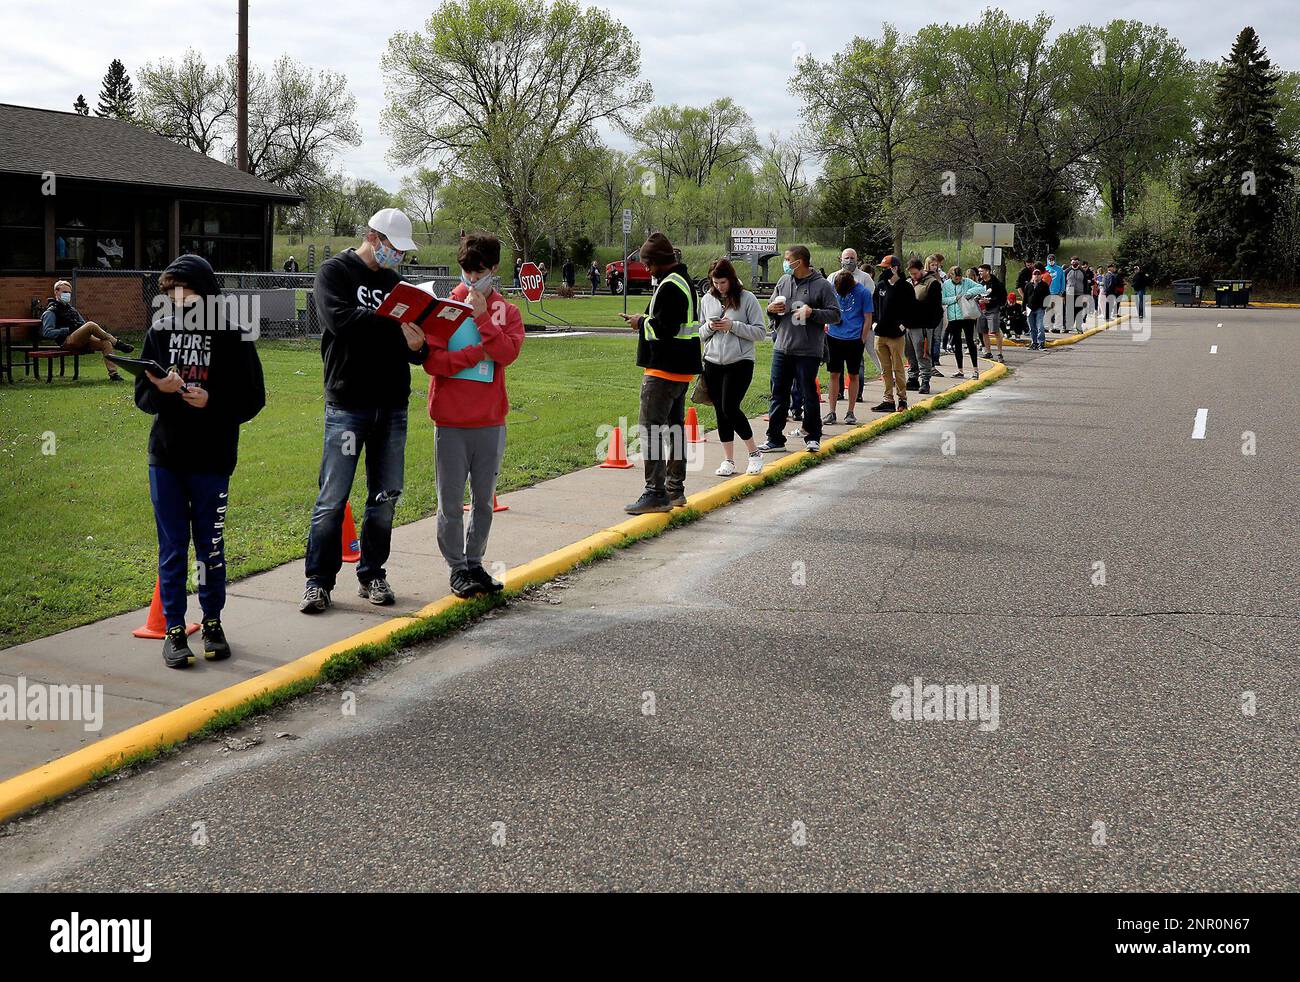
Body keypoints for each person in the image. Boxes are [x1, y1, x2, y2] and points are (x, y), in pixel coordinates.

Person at [134, 255, 266, 668]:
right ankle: (174, 629)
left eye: (184, 292)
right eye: (170, 294)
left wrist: (211, 401)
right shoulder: (159, 331)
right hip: (167, 456)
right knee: (172, 546)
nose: (176, 300)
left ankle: (212, 622)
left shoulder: (234, 335)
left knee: (210, 546)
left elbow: (253, 398)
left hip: (212, 457)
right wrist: (162, 389)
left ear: (206, 292)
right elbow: (142, 397)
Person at [301, 208, 429, 614]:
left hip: (392, 404)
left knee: (385, 495)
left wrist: (416, 344)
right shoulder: (334, 273)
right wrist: (391, 325)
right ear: (374, 238)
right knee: (332, 498)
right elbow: (341, 322)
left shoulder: (396, 284)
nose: (399, 258)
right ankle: (318, 582)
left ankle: (373, 573)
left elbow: (417, 350)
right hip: (348, 402)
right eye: (395, 248)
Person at [423, 232, 525, 599]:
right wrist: (474, 355)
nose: (470, 279)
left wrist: (482, 319)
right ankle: (456, 568)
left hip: (489, 420)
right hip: (450, 421)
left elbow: (507, 353)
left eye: (478, 272)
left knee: (484, 501)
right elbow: (433, 362)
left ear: (494, 269)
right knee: (449, 501)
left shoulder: (507, 312)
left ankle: (474, 562)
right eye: (466, 271)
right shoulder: (444, 307)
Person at [618, 232, 702, 514]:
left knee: (651, 430)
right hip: (680, 371)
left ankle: (655, 492)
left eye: (648, 264)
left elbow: (664, 329)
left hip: (663, 370)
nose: (647, 270)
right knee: (674, 430)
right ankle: (674, 489)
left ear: (658, 262)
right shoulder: (684, 283)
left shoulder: (670, 287)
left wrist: (640, 322)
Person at [758, 245, 840, 454]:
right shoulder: (784, 281)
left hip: (808, 349)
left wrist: (812, 312)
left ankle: (813, 436)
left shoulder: (821, 285)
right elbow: (770, 306)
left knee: (808, 393)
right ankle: (775, 438)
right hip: (782, 346)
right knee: (778, 393)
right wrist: (771, 309)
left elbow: (835, 315)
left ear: (800, 261)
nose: (785, 263)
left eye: (788, 259)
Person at [699, 258, 766, 477]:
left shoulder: (748, 299)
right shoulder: (707, 299)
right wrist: (710, 327)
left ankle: (754, 453)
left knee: (730, 407)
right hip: (712, 361)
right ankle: (728, 459)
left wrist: (733, 326)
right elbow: (699, 333)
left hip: (740, 361)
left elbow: (760, 332)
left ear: (731, 279)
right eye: (715, 283)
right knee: (720, 410)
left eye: (723, 283)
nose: (719, 287)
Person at [40, 280, 134, 380]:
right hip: (67, 341)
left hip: (82, 340)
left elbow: (83, 325)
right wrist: (66, 330)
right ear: (56, 292)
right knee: (90, 325)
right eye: (64, 292)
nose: (67, 295)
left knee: (106, 343)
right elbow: (47, 332)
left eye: (69, 293)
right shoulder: (51, 312)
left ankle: (114, 374)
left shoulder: (71, 309)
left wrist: (79, 327)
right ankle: (117, 343)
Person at [824, 266, 873, 425]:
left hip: (854, 340)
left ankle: (850, 411)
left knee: (853, 375)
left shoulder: (863, 293)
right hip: (834, 337)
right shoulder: (833, 288)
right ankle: (832, 411)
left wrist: (863, 339)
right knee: (834, 374)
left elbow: (867, 317)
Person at [836, 248, 880, 399]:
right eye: (846, 258)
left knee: (857, 364)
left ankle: (857, 393)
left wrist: (864, 333)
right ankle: (839, 392)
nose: (849, 261)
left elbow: (868, 302)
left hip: (857, 329)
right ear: (841, 260)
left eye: (852, 258)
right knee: (837, 367)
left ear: (857, 259)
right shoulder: (833, 277)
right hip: (838, 330)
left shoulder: (865, 278)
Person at [870, 255, 911, 414]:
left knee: (898, 368)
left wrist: (903, 325)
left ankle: (902, 399)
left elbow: (910, 309)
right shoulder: (880, 286)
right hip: (880, 334)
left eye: (886, 268)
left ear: (895, 268)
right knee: (885, 369)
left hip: (896, 335)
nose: (884, 271)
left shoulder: (904, 287)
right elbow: (874, 306)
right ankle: (888, 399)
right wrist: (874, 323)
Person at [941, 265, 988, 378]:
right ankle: (960, 370)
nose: (958, 280)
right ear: (951, 276)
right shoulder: (946, 284)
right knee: (957, 343)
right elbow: (943, 299)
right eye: (956, 278)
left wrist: (969, 293)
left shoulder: (967, 282)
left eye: (960, 278)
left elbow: (981, 288)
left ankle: (975, 370)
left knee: (970, 342)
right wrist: (954, 299)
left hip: (967, 316)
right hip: (954, 317)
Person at [905, 258, 942, 395]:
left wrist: (931, 324)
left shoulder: (932, 283)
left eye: (915, 273)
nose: (913, 276)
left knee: (923, 353)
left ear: (921, 270)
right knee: (910, 354)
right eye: (911, 274)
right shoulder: (909, 283)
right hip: (908, 325)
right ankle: (913, 377)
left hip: (923, 325)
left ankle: (925, 380)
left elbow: (935, 307)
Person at [976, 264, 1007, 361]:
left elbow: (1002, 298)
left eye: (981, 271)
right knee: (983, 331)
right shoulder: (980, 283)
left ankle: (1000, 354)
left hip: (993, 309)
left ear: (987, 271)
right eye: (979, 271)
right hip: (981, 310)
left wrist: (990, 301)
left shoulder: (996, 283)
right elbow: (977, 294)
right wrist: (978, 299)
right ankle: (988, 352)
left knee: (995, 331)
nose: (979, 273)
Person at [1025, 267, 1052, 349]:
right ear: (1032, 276)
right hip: (1029, 308)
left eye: (1038, 274)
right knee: (1032, 327)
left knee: (1040, 326)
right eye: (1035, 274)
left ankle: (1041, 343)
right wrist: (1023, 309)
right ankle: (1034, 342)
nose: (1036, 276)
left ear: (1041, 276)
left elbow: (1048, 296)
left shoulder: (1044, 285)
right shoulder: (1028, 285)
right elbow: (1025, 298)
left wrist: (1045, 307)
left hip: (1040, 309)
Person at [1065, 256, 1089, 333]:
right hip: (1069, 293)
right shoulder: (1067, 271)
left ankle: (1079, 327)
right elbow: (1063, 283)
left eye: (1076, 261)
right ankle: (1068, 327)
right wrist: (1063, 294)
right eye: (1073, 261)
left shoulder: (1082, 272)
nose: (1074, 262)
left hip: (1080, 294)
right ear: (1070, 262)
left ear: (1078, 262)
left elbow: (1085, 284)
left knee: (1078, 311)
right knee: (1069, 311)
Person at [1045, 253, 1065, 331]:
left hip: (1057, 293)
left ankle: (1057, 327)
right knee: (1047, 311)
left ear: (1055, 260)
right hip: (1047, 293)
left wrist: (1061, 291)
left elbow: (1062, 281)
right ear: (1047, 260)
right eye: (1050, 259)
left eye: (1052, 259)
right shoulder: (1045, 269)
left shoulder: (1060, 269)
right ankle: (1046, 326)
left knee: (1058, 311)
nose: (1051, 261)